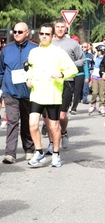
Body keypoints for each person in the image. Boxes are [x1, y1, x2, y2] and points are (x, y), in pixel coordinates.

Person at [25, 23, 77, 168]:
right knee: (32, 124)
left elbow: (72, 69)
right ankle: (39, 151)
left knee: (54, 127)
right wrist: (28, 79)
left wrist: (61, 74)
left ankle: (56, 154)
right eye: (41, 34)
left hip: (52, 93)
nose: (43, 36)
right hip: (36, 93)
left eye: (47, 34)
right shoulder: (33, 52)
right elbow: (30, 68)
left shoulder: (59, 52)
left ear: (52, 36)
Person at [0, 22, 37, 164]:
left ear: (27, 33)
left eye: (20, 32)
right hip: (10, 93)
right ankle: (10, 153)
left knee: (28, 123)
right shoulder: (7, 49)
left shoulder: (35, 49)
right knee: (12, 122)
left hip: (29, 93)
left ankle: (29, 149)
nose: (16, 34)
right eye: (14, 32)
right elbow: (0, 71)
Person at [48, 18, 85, 151]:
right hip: (50, 82)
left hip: (67, 82)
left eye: (62, 27)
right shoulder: (48, 42)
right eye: (57, 26)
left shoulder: (73, 44)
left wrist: (69, 66)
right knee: (50, 116)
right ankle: (52, 143)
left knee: (62, 115)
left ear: (66, 28)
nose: (60, 29)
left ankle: (63, 132)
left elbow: (82, 60)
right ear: (54, 27)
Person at [89, 45, 105, 116]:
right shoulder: (96, 58)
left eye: (98, 51)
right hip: (95, 77)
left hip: (101, 77)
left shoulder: (103, 58)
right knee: (94, 92)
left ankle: (102, 106)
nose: (97, 52)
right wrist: (91, 77)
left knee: (102, 93)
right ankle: (93, 104)